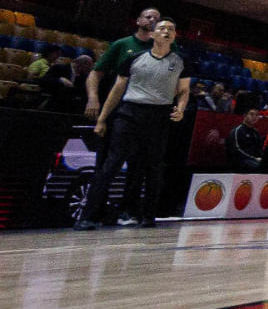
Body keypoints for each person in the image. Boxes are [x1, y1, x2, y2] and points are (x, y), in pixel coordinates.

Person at [77, 16, 188, 229]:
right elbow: (117, 89)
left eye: (171, 29)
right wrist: (102, 119)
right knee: (112, 163)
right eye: (162, 28)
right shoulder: (134, 57)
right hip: (130, 112)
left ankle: (148, 217)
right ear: (152, 34)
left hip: (159, 115)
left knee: (153, 168)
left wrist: (180, 109)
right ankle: (87, 216)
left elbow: (184, 91)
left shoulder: (182, 61)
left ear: (174, 36)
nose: (166, 32)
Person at [85, 6, 160, 117]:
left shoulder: (165, 47)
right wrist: (92, 98)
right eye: (148, 17)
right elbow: (96, 73)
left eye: (156, 19)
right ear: (138, 21)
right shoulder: (122, 44)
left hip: (149, 106)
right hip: (119, 102)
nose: (152, 20)